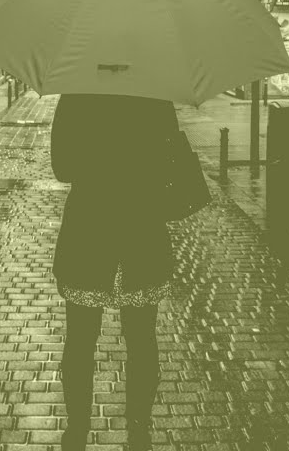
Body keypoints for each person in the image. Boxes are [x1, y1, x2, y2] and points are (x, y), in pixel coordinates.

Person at [50, 93, 181, 451]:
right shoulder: (155, 95)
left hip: (89, 232)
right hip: (141, 232)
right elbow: (171, 163)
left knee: (80, 340)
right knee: (142, 340)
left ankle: (76, 431)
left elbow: (62, 167)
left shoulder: (77, 94)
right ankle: (138, 430)